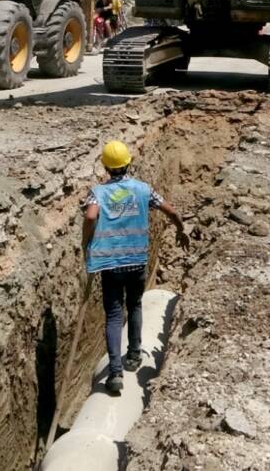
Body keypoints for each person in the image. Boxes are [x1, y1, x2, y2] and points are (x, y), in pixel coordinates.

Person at [81, 140, 188, 395]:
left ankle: (115, 373)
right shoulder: (143, 190)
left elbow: (90, 216)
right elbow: (170, 211)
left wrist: (86, 243)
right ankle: (134, 355)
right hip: (137, 261)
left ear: (106, 166)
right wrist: (181, 229)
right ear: (128, 163)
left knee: (115, 315)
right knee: (135, 305)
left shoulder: (98, 192)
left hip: (110, 264)